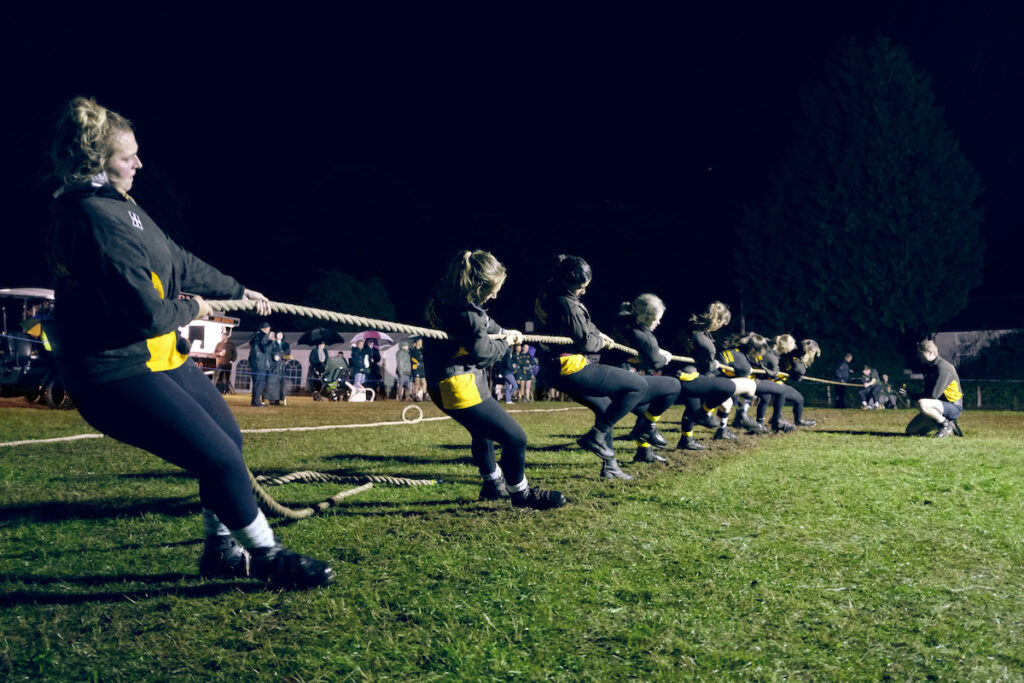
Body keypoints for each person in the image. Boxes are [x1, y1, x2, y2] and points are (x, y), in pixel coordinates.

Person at [45, 96, 332, 588]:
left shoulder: (122, 207)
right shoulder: (93, 217)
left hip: (155, 357)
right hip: (114, 371)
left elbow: (177, 260)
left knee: (229, 443)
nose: (138, 163)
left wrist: (237, 291)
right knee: (216, 458)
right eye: (126, 157)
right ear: (96, 162)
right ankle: (267, 555)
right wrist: (196, 309)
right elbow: (147, 314)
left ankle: (219, 546)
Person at [424, 250, 566, 509]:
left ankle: (492, 483)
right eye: (492, 289)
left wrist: (502, 332)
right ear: (477, 286)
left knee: (481, 431)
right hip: (457, 385)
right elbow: (484, 353)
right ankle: (521, 494)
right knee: (515, 438)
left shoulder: (446, 290)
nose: (495, 295)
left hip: (445, 380)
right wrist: (507, 343)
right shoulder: (466, 313)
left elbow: (484, 321)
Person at [534, 255, 648, 480]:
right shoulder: (567, 304)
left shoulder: (549, 287)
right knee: (638, 385)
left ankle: (610, 466)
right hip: (570, 367)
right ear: (567, 281)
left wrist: (597, 333)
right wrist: (599, 341)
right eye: (580, 287)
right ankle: (596, 436)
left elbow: (585, 328)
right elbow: (585, 342)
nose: (583, 291)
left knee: (606, 409)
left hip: (551, 366)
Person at [602, 293, 680, 464]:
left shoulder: (622, 318)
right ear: (644, 317)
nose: (658, 323)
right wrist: (664, 357)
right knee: (672, 387)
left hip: (608, 374)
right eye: (656, 319)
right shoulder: (645, 337)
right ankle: (647, 428)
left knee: (645, 409)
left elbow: (624, 309)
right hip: (621, 382)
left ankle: (644, 451)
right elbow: (656, 363)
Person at [671, 302, 737, 450]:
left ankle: (686, 440)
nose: (722, 327)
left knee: (692, 408)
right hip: (687, 377)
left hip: (672, 371)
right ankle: (704, 414)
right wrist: (715, 366)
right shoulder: (707, 344)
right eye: (722, 323)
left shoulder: (689, 326)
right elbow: (707, 370)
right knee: (728, 388)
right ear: (717, 320)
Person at [906, 339, 964, 437]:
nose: (919, 356)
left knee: (922, 403)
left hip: (953, 407)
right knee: (911, 431)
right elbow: (928, 393)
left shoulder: (943, 368)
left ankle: (945, 425)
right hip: (940, 406)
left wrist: (916, 399)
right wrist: (910, 395)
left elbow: (934, 395)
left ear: (929, 353)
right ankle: (946, 423)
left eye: (921, 353)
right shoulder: (931, 367)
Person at [248, 322, 272, 406]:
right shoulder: (263, 336)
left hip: (254, 362)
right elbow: (265, 349)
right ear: (265, 328)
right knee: (260, 383)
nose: (269, 330)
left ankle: (254, 401)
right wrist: (270, 341)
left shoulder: (255, 336)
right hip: (260, 363)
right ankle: (257, 402)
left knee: (256, 383)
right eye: (269, 329)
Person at [266, 330, 290, 406]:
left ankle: (279, 399)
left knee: (281, 383)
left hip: (282, 366)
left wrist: (287, 357)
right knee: (273, 383)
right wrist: (274, 356)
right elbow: (269, 352)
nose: (280, 335)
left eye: (281, 334)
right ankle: (272, 399)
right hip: (274, 366)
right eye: (278, 334)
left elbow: (288, 353)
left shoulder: (286, 344)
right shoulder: (272, 343)